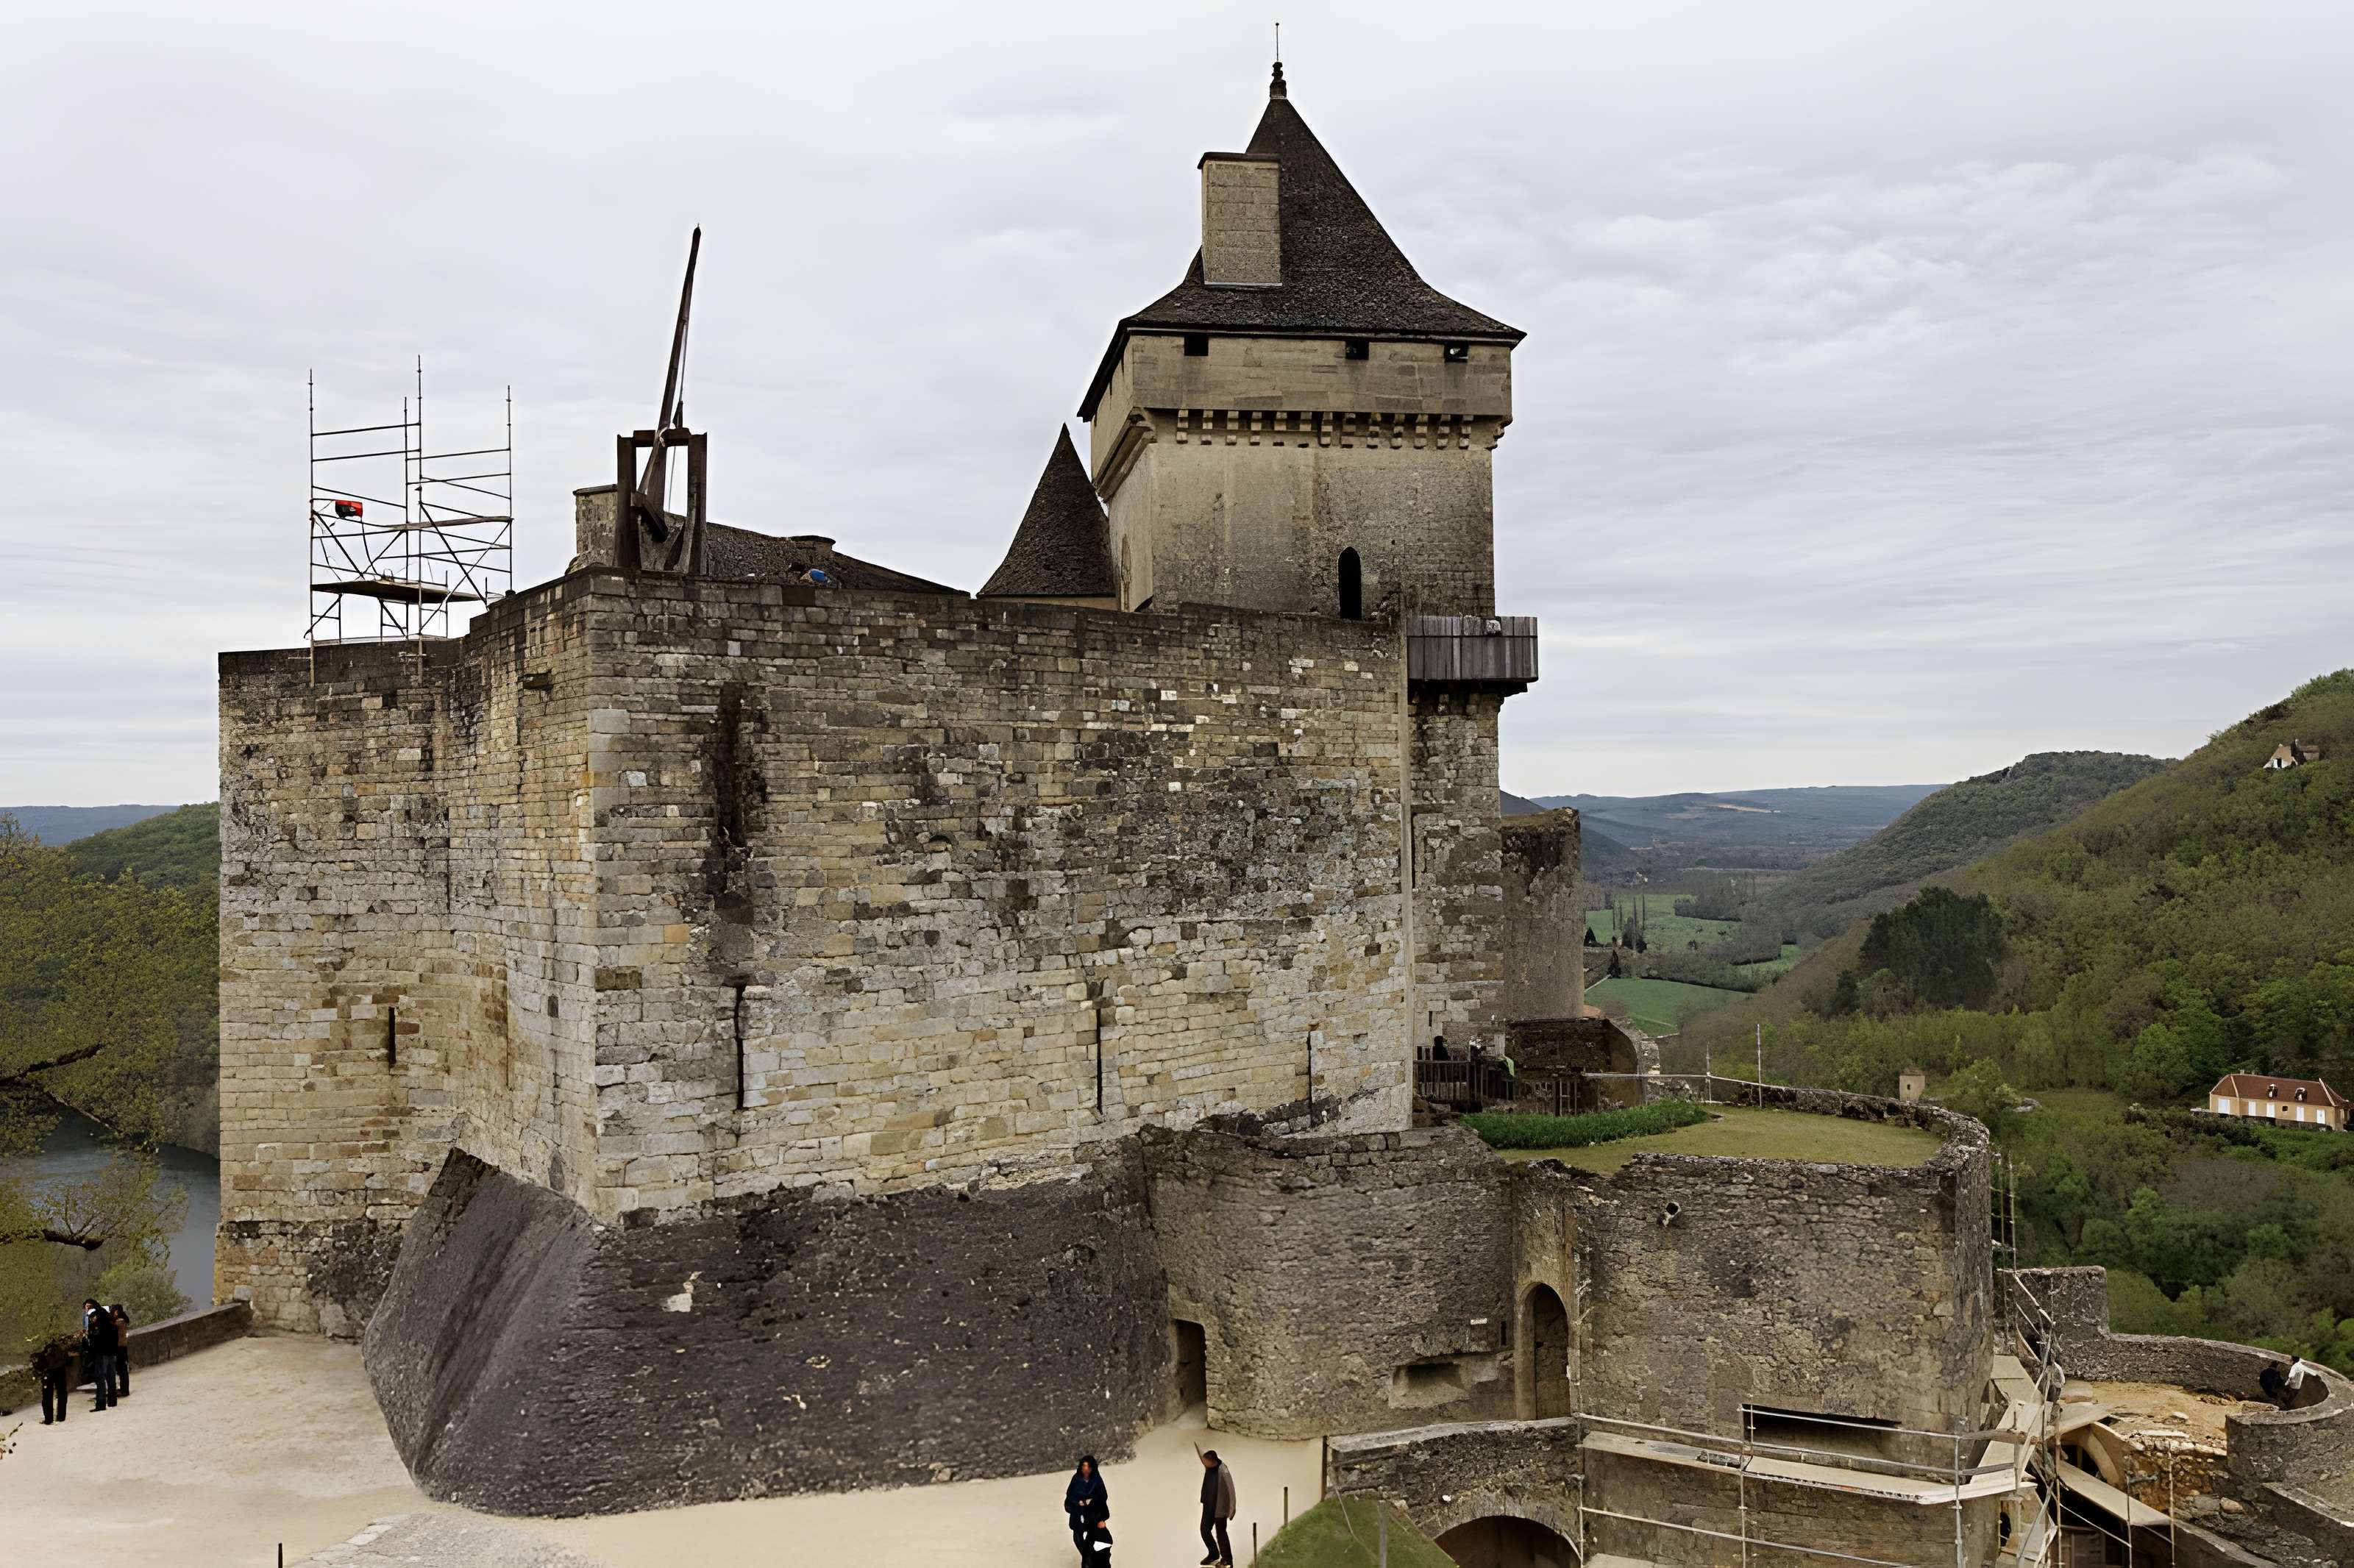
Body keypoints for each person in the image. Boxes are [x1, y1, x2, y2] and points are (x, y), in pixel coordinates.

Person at [1064, 1455, 1109, 1564]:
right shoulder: (1076, 1479)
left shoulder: (1096, 1480)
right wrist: (1078, 1504)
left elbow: (1103, 1497)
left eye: (1088, 1467)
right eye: (1084, 1466)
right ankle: (1088, 1557)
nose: (1086, 1469)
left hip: (1093, 1515)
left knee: (1097, 1540)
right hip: (1078, 1515)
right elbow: (1070, 1498)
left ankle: (1091, 1559)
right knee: (1078, 1539)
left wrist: (1101, 1517)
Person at [1198, 1450, 1236, 1567]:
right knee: (1204, 1530)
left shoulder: (1223, 1470)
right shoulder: (1209, 1466)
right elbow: (1201, 1454)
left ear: (1211, 1461)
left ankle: (1228, 1560)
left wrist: (1232, 1509)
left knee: (1221, 1534)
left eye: (1205, 1462)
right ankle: (1214, 1553)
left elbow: (1231, 1490)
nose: (1204, 1463)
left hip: (1220, 1508)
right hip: (1208, 1506)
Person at [81, 1298, 118, 1411]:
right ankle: (112, 1401)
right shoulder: (109, 1319)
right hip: (111, 1352)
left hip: (101, 1353)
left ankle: (101, 1404)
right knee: (111, 1378)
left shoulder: (95, 1318)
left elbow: (94, 1337)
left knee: (100, 1379)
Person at [32, 1333, 74, 1425]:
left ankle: (49, 1418)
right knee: (62, 1392)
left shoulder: (43, 1341)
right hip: (60, 1368)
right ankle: (61, 1416)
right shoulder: (60, 1340)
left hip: (49, 1370)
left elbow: (39, 1354)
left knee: (47, 1394)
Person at [109, 1303, 132, 1400]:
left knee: (122, 1370)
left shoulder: (120, 1321)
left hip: (120, 1348)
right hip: (120, 1348)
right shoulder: (120, 1320)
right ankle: (123, 1389)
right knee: (121, 1370)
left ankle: (124, 1390)